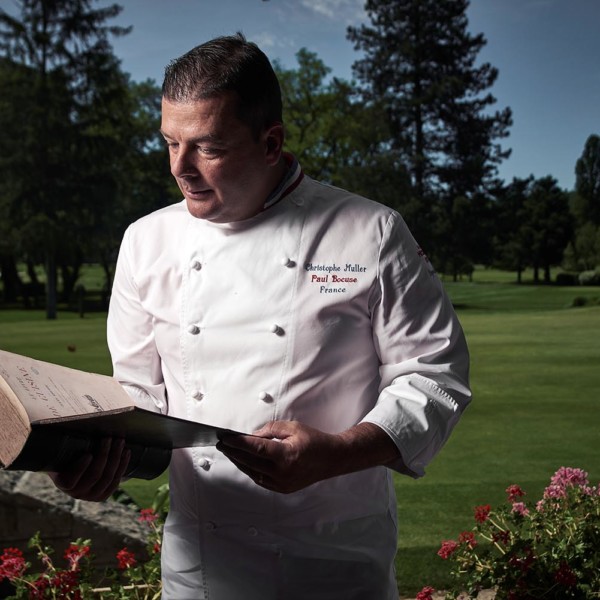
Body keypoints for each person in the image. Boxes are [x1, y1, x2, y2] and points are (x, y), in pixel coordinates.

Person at [49, 33, 471, 599]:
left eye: (209, 148)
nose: (181, 168)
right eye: (170, 143)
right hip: (201, 564)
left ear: (271, 143)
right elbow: (140, 400)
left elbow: (434, 375)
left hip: (335, 560)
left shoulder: (370, 231)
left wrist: (340, 451)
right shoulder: (145, 242)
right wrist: (93, 462)